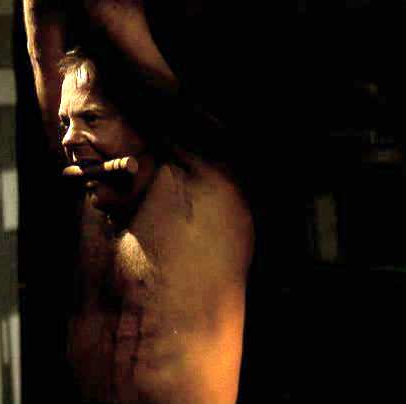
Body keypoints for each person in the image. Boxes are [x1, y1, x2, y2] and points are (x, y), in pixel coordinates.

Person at [58, 46, 255, 403]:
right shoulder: (91, 216)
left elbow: (124, 28)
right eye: (65, 123)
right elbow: (40, 51)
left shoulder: (203, 190)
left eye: (92, 118)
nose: (68, 138)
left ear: (142, 123)